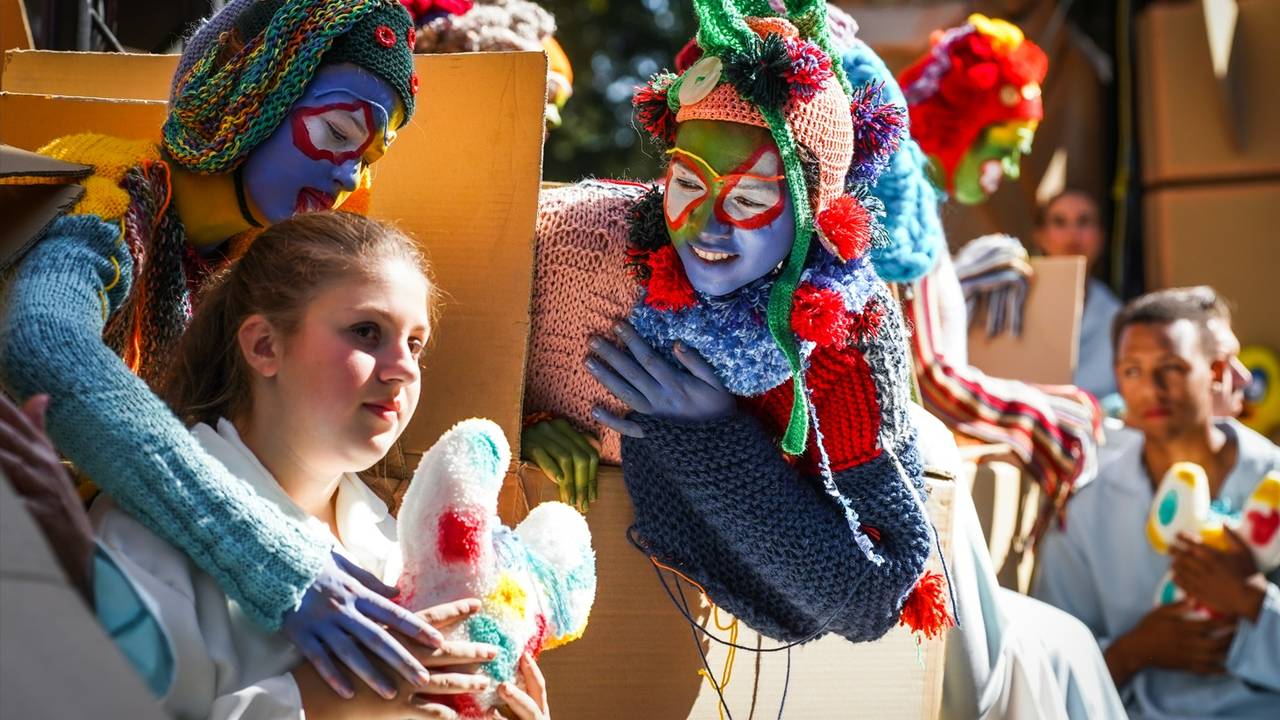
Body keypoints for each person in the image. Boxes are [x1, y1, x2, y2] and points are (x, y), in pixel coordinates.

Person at [0, 0, 446, 696]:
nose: (349, 179)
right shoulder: (110, 204)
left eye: (367, 157)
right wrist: (271, 564)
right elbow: (42, 346)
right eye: (336, 132)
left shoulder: (235, 262)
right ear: (245, 97)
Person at [92, 211, 547, 719]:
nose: (404, 369)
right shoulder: (136, 537)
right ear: (265, 346)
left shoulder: (398, 538)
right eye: (367, 332)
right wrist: (324, 702)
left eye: (415, 344)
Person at [1034, 287, 1280, 718]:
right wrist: (1137, 649)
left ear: (1217, 370)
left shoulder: (1270, 479)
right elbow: (1048, 666)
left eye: (1172, 368)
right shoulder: (1089, 509)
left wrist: (1252, 599)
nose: (1152, 388)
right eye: (1132, 371)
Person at [1033, 189, 1122, 400]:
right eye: (1059, 222)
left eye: (1084, 222)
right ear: (1041, 237)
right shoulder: (1011, 302)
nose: (1073, 233)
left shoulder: (1116, 315)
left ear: (1101, 237)